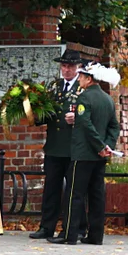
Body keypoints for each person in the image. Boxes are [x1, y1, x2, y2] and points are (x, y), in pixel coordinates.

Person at [50, 63, 120, 246]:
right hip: (100, 156)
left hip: (83, 154)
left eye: (81, 76)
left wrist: (99, 145)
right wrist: (107, 146)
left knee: (75, 194)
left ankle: (69, 234)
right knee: (97, 195)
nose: (78, 79)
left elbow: (85, 125)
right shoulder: (107, 99)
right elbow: (114, 126)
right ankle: (96, 235)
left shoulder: (84, 99)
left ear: (89, 79)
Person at [30, 50, 85, 240]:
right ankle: (46, 226)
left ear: (78, 67)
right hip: (54, 146)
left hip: (73, 147)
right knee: (51, 188)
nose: (66, 70)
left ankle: (76, 228)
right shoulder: (54, 86)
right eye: (64, 66)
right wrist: (34, 114)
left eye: (70, 66)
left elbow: (92, 113)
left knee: (74, 190)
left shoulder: (83, 86)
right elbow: (47, 111)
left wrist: (79, 118)